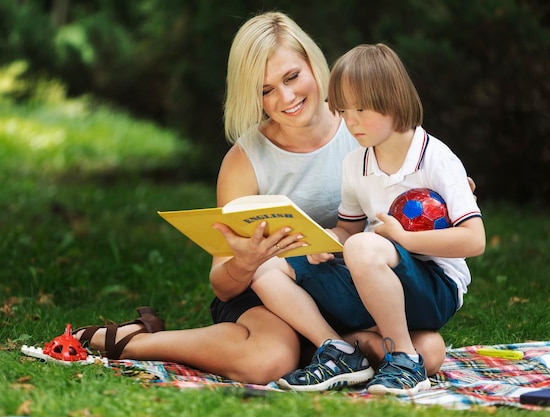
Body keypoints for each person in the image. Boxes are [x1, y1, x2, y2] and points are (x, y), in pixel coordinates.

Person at [72, 13, 451, 385]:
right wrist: (247, 261)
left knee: (429, 353)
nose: (286, 97)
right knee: (268, 359)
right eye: (265, 90)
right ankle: (135, 341)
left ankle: (333, 348)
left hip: (345, 287)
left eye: (292, 77)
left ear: (313, 64)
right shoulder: (243, 160)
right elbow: (223, 284)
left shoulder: (364, 126)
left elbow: (422, 181)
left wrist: (448, 189)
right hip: (268, 289)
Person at [263, 43, 486, 395]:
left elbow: (475, 240)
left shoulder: (438, 160)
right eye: (343, 110)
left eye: (361, 109)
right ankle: (339, 352)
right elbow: (348, 231)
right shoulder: (356, 163)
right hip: (376, 280)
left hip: (434, 287)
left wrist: (403, 238)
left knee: (368, 245)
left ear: (394, 101)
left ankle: (404, 359)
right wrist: (320, 242)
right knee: (270, 267)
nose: (350, 121)